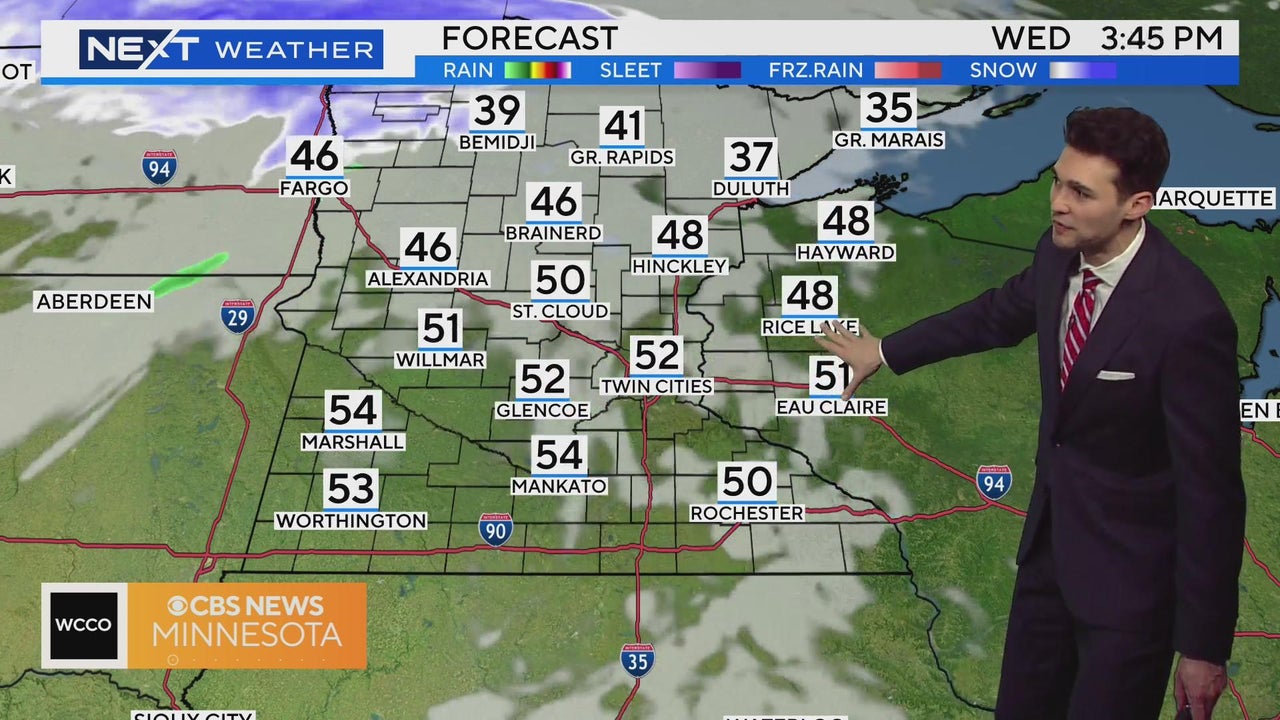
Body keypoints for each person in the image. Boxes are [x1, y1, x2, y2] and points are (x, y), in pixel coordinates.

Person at [816, 106, 1246, 719]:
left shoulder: (1188, 318)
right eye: (1057, 182)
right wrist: (883, 351)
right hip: (1048, 564)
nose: (1058, 204)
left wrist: (1203, 648)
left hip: (1130, 598)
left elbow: (1212, 492)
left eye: (1081, 192)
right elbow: (994, 315)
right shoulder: (1058, 255)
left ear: (1137, 205)